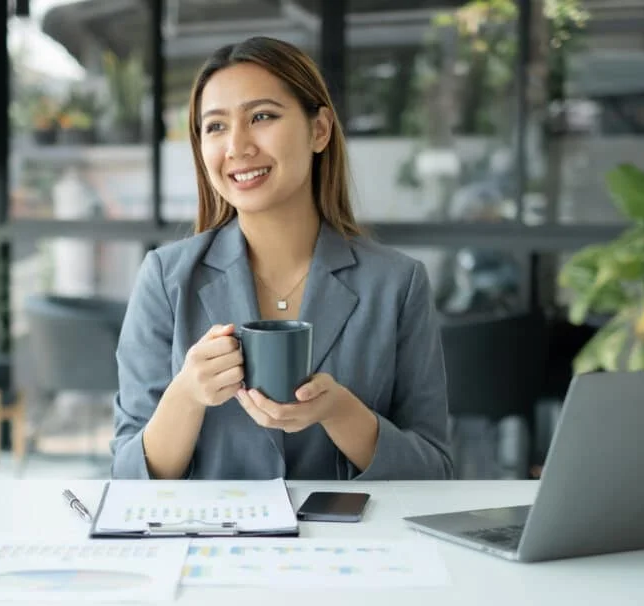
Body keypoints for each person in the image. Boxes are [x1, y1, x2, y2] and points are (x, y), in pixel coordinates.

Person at [110, 36, 453, 480]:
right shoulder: (165, 278)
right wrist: (186, 396)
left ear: (319, 130)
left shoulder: (398, 284)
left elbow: (436, 472)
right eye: (214, 126)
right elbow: (125, 478)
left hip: (353, 546)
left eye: (262, 117)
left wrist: (342, 414)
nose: (237, 146)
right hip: (210, 545)